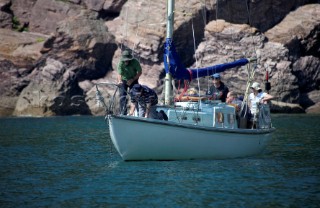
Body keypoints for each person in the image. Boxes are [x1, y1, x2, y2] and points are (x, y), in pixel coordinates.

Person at [117, 49, 142, 115]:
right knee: (122, 96)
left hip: (133, 79)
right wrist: (119, 81)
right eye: (125, 60)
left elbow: (139, 72)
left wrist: (132, 80)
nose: (126, 61)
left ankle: (136, 112)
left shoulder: (135, 62)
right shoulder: (120, 63)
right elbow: (119, 74)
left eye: (127, 60)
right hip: (124, 80)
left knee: (135, 95)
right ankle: (123, 112)